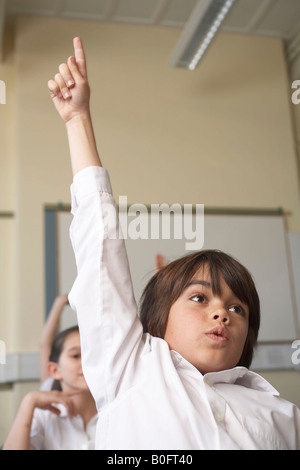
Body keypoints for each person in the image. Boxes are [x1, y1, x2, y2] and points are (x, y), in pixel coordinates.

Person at [46, 37, 300, 450]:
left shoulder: (282, 414)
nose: (223, 314)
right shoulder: (130, 367)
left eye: (238, 308)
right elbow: (100, 251)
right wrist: (77, 119)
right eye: (200, 298)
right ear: (157, 318)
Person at [3, 326, 97, 450]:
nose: (86, 361)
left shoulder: (116, 409)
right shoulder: (43, 415)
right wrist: (29, 400)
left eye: (91, 354)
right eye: (75, 356)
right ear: (55, 370)